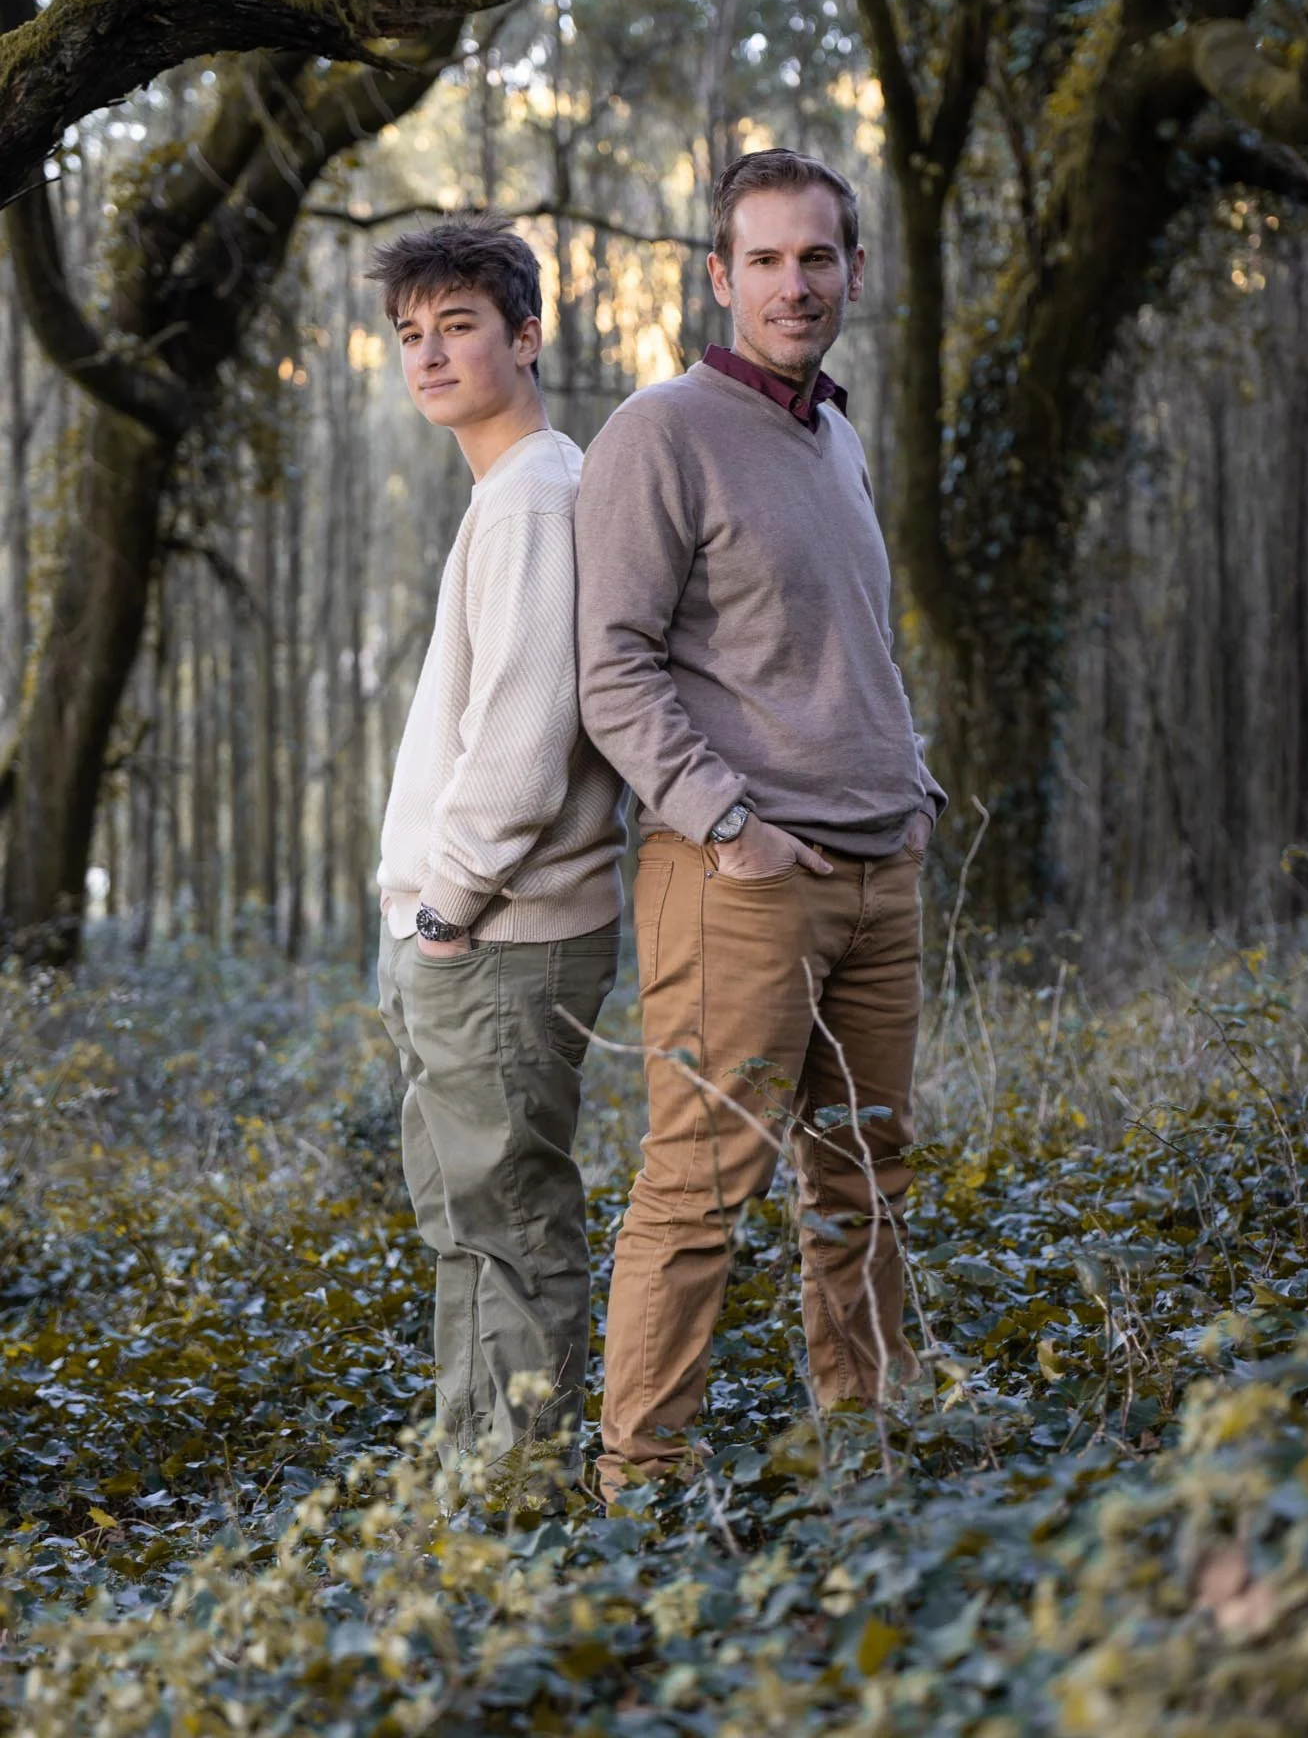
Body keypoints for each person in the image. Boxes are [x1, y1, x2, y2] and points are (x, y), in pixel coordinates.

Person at [574, 148, 946, 1495]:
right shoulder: (660, 433)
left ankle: (865, 1438)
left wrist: (910, 789)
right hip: (738, 876)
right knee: (697, 1186)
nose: (796, 284)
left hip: (874, 863)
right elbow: (609, 666)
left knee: (865, 1175)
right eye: (767, 260)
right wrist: (726, 822)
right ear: (720, 276)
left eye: (819, 257)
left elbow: (848, 645)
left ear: (854, 269)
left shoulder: (833, 432)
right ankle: (644, 1481)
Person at [372, 213, 625, 1482]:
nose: (429, 354)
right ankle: (472, 1463)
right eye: (411, 333)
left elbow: (527, 734)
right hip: (474, 930)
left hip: (499, 934)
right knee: (468, 1216)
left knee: (510, 1220)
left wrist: (445, 906)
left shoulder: (532, 496)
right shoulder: (510, 491)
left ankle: (514, 1489)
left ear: (525, 338)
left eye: (457, 326)